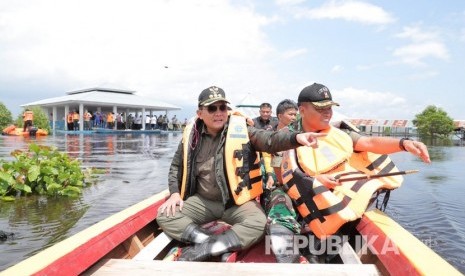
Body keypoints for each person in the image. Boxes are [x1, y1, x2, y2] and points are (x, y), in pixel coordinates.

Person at [156, 86, 325, 262]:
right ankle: (212, 242)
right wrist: (175, 193)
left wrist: (295, 138)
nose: (219, 113)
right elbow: (176, 167)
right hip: (203, 201)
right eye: (212, 108)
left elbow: (270, 140)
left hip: (236, 202)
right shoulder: (191, 136)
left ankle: (205, 248)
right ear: (200, 113)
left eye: (223, 107)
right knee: (165, 215)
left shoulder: (242, 130)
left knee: (259, 224)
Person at [268, 83, 431, 263]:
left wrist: (404, 144)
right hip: (298, 193)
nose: (327, 113)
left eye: (329, 107)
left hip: (333, 194)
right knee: (278, 204)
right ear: (302, 110)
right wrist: (316, 180)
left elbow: (369, 143)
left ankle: (319, 250)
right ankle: (291, 259)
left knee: (357, 200)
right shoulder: (284, 139)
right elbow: (283, 178)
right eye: (320, 108)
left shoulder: (339, 134)